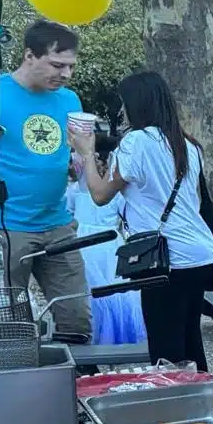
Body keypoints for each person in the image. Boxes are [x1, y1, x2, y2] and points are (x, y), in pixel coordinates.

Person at [0, 21, 91, 337]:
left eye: (70, 67)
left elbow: (69, 158)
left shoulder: (69, 101)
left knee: (76, 317)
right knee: (7, 324)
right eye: (57, 65)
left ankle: (74, 378)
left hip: (58, 225)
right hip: (5, 228)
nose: (65, 74)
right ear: (29, 55)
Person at [72, 72, 213, 368]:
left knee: (166, 352)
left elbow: (100, 195)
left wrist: (87, 153)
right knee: (190, 344)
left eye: (123, 103)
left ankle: (177, 408)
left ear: (136, 104)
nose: (121, 111)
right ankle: (199, 402)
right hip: (200, 254)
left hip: (165, 260)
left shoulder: (136, 142)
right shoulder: (186, 144)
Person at [64, 132, 147, 346]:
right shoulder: (106, 193)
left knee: (102, 291)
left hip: (97, 242)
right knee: (103, 291)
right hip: (105, 242)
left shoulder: (79, 191)